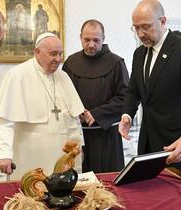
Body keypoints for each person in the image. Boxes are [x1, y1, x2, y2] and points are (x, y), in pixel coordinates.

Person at [119, 0, 181, 178]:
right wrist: (127, 115)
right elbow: (133, 90)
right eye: (136, 28)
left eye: (145, 27)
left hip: (177, 145)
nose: (140, 33)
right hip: (147, 143)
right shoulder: (139, 54)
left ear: (163, 21)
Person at [0, 32, 84, 179]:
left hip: (61, 157)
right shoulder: (17, 75)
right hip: (30, 156)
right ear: (37, 52)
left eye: (60, 54)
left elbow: (73, 120)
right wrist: (3, 154)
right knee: (31, 197)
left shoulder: (63, 77)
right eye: (53, 54)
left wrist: (78, 147)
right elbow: (3, 120)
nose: (58, 59)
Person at [62, 19, 129, 173]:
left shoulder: (116, 63)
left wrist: (97, 113)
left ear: (103, 39)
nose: (91, 44)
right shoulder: (71, 62)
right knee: (78, 178)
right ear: (80, 38)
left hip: (106, 136)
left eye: (96, 40)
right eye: (87, 40)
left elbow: (125, 98)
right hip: (77, 134)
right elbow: (62, 94)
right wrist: (75, 110)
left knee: (106, 182)